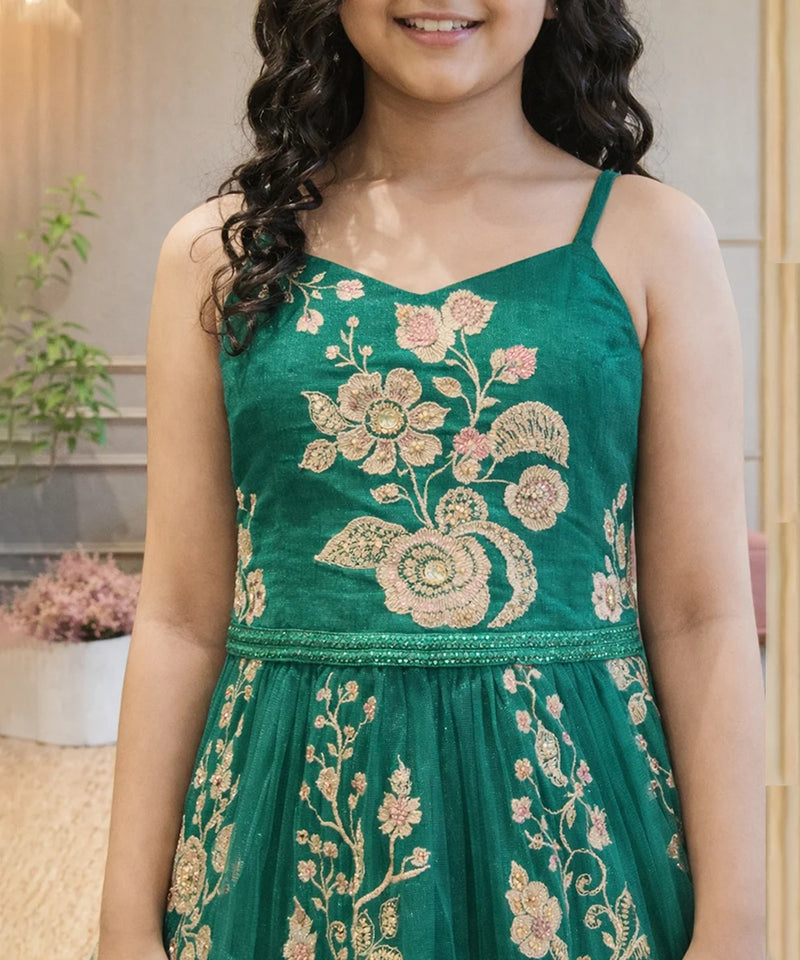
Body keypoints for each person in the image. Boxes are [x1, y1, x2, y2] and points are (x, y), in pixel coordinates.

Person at [94, 1, 766, 958]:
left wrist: (738, 925)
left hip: (576, 834)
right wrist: (124, 922)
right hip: (284, 825)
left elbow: (702, 616)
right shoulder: (216, 255)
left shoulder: (655, 237)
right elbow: (181, 617)